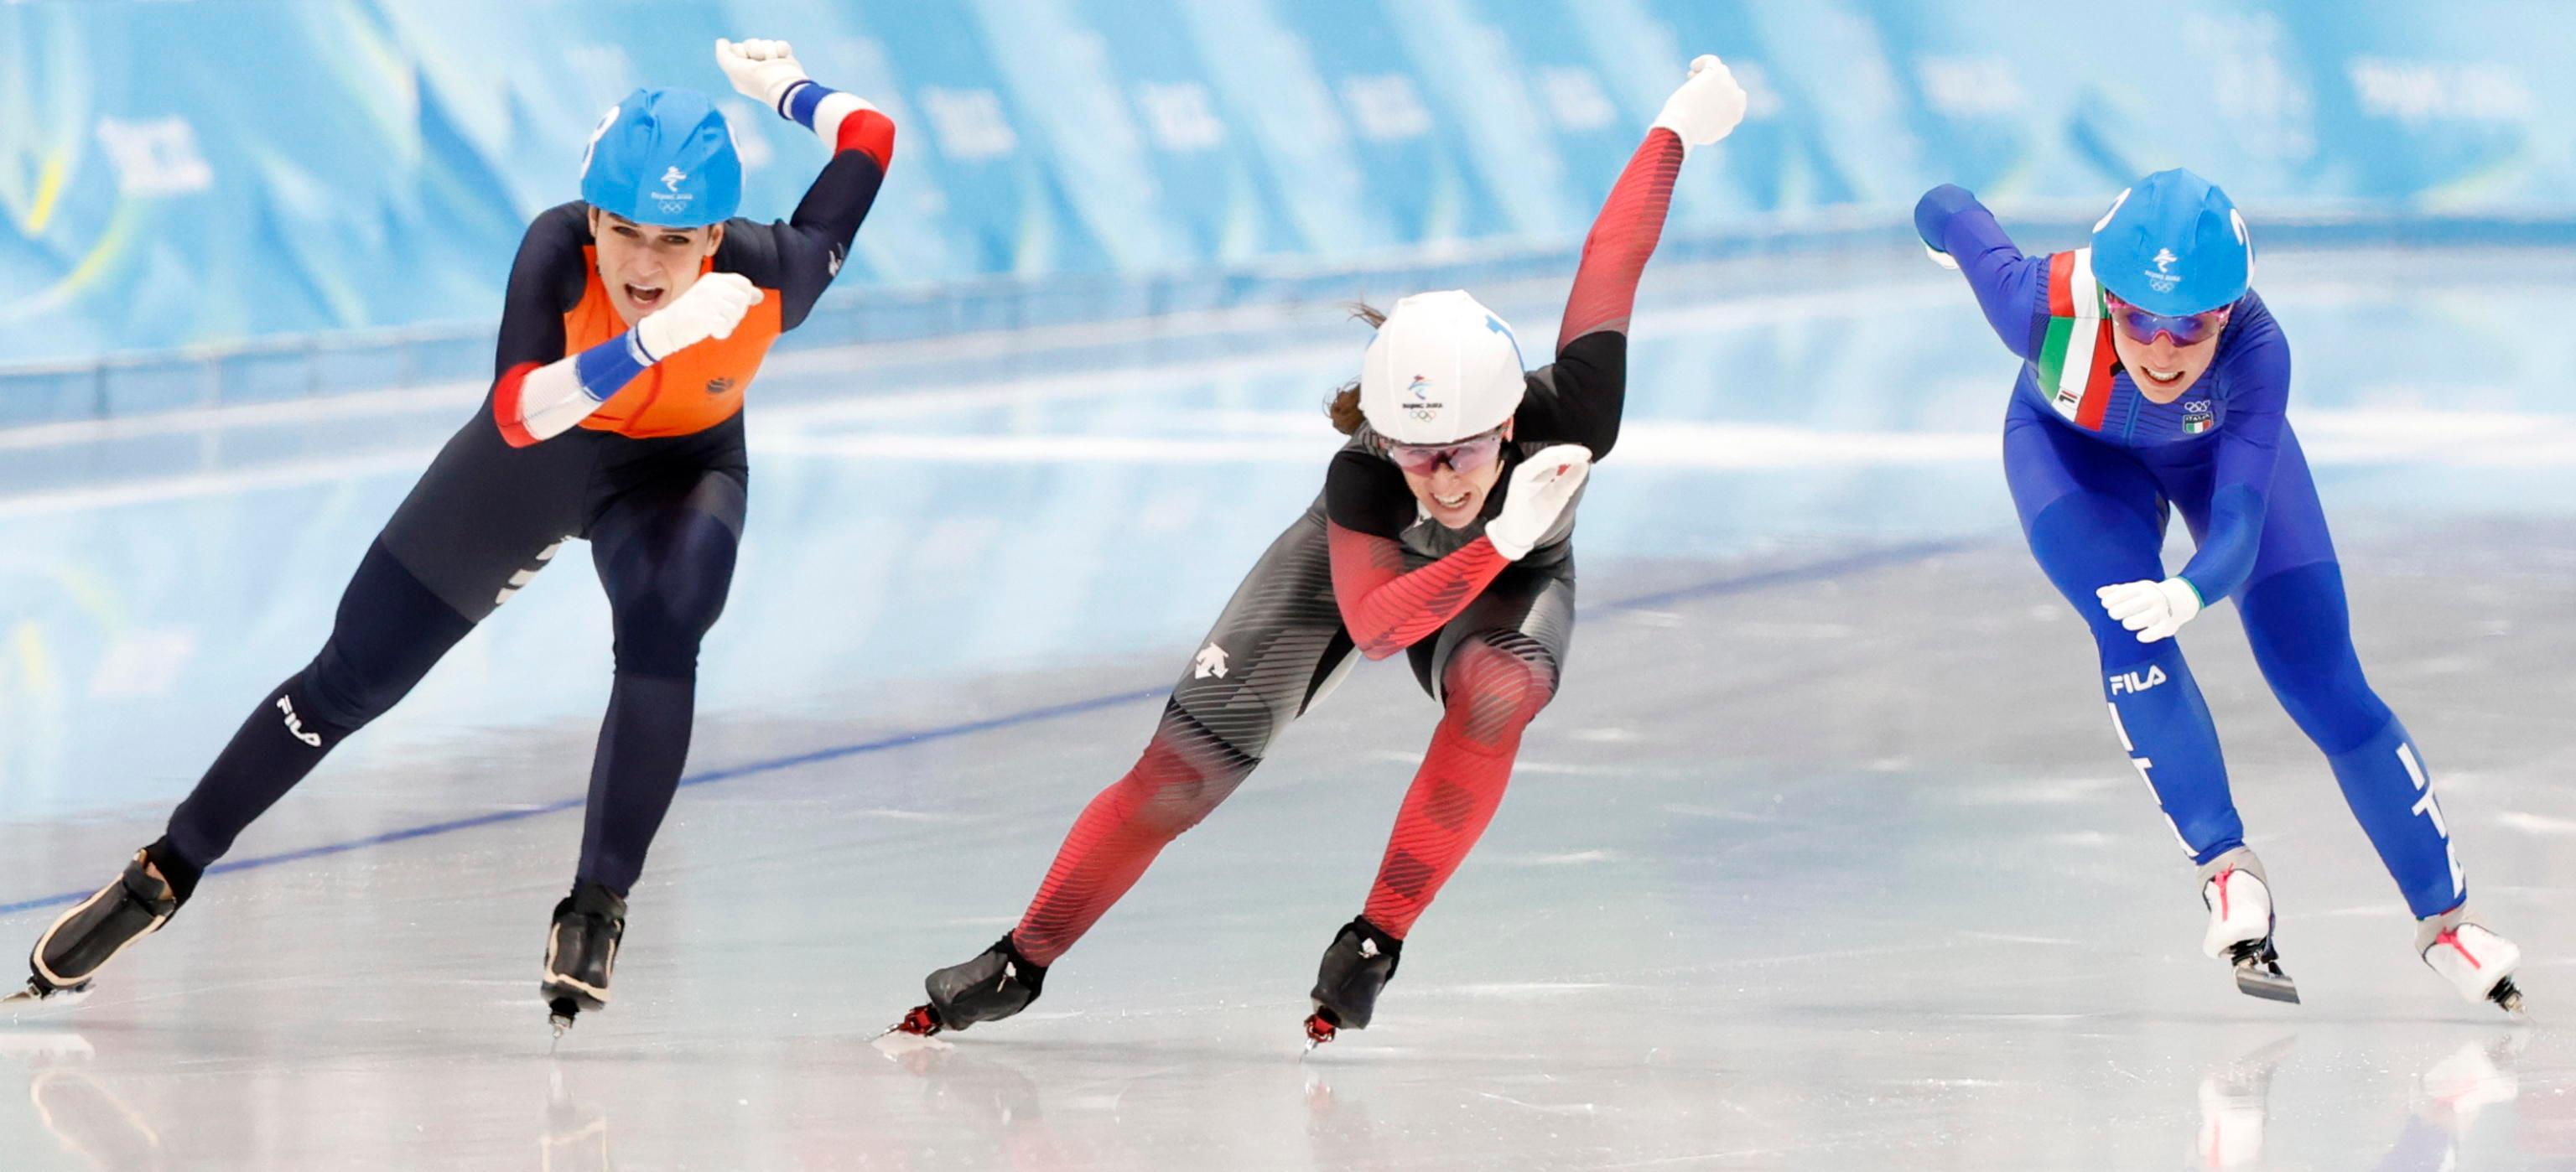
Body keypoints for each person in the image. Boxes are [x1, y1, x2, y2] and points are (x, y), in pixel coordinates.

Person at [12, 39, 896, 1033]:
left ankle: (597, 904)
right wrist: (649, 343)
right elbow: (519, 415)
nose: (645, 265)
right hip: (536, 455)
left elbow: (870, 134)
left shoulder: (781, 271)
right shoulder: (557, 249)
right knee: (348, 680)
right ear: (594, 216)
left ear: (717, 236)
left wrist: (782, 87)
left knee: (666, 624)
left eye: (675, 240)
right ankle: (161, 875)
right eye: (626, 232)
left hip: (677, 473)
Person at [892, 55, 1749, 1047]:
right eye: (1419, 451)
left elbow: (1612, 258)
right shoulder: (1368, 480)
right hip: (1387, 575)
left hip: (1513, 586)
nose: (1443, 478)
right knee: (1177, 777)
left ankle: (1374, 942)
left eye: (1464, 450)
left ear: (1512, 421)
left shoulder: (1578, 410)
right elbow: (1382, 626)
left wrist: (1676, 125)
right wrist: (1500, 531)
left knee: (1499, 695)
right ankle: (1020, 957)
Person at [1914, 170, 2523, 1013]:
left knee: (2322, 677)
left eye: (2190, 327)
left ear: (2228, 314)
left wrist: (2191, 593)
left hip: (2212, 461)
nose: (2162, 351)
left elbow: (2238, 526)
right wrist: (1938, 234)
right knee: (2127, 623)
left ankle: (2449, 919)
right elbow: (1948, 205)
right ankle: (2225, 870)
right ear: (2108, 296)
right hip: (2070, 455)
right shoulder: (2035, 302)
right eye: (2138, 320)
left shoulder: (2258, 351)